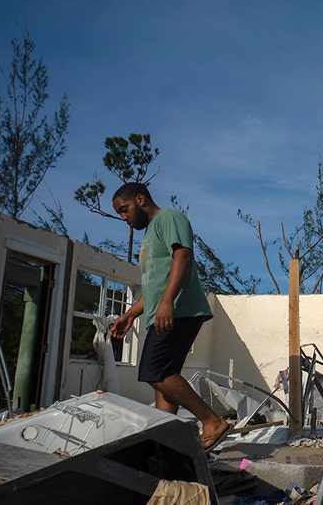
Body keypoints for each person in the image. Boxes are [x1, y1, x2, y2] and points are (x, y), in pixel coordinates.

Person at [109, 182, 231, 452]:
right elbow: (155, 284)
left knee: (155, 371)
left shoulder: (170, 218)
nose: (123, 218)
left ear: (140, 199)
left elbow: (183, 256)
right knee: (166, 381)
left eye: (124, 210)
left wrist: (167, 303)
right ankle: (166, 441)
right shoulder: (150, 234)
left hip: (179, 310)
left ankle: (212, 422)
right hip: (164, 312)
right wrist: (130, 314)